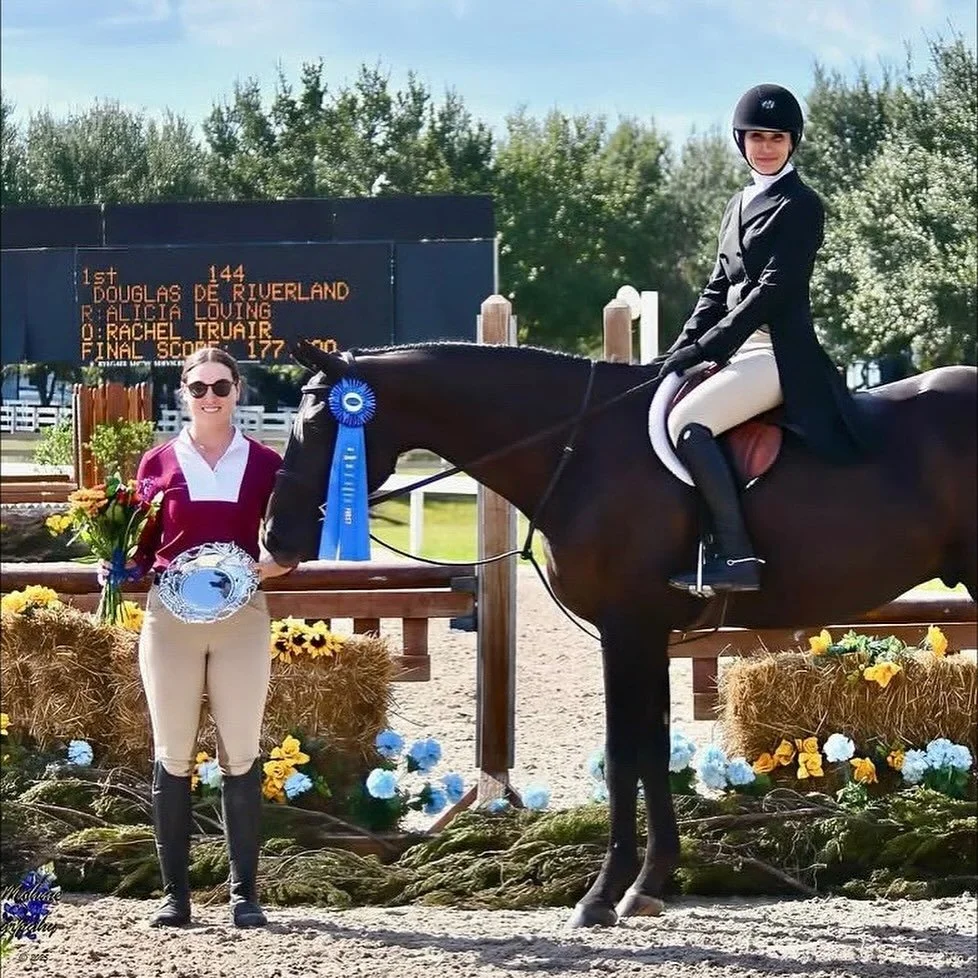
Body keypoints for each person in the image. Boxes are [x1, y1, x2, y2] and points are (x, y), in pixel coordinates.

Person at [657, 83, 871, 595]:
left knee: (688, 424)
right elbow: (716, 288)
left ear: (792, 142)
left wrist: (709, 349)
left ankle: (738, 557)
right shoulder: (737, 204)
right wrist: (678, 351)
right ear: (742, 141)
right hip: (736, 350)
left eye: (777, 137)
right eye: (757, 137)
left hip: (777, 355)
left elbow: (773, 291)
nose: (767, 147)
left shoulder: (801, 204)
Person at [118, 347, 293, 928]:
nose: (210, 396)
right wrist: (116, 565)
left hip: (243, 618)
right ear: (183, 394)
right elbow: (141, 551)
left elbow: (288, 548)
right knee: (172, 752)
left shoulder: (268, 464)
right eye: (199, 388)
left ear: (238, 390)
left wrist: (263, 566)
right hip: (171, 624)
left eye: (221, 385)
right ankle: (177, 898)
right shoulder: (158, 462)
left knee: (240, 752)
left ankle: (245, 894)